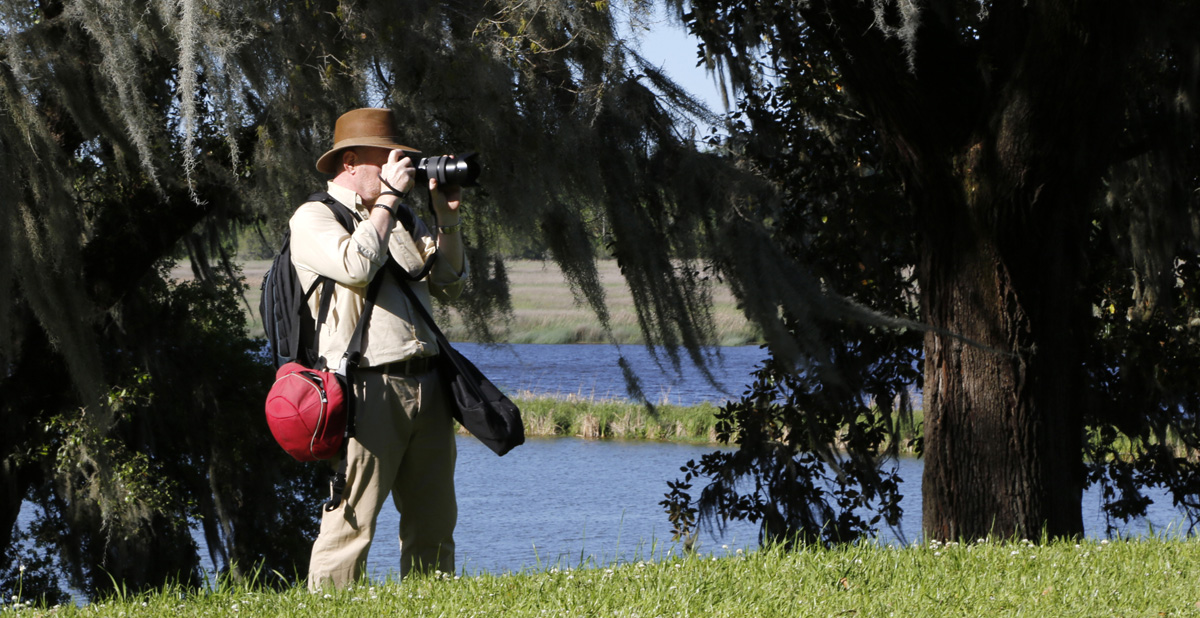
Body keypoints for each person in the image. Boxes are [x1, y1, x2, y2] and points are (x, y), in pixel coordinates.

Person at [289, 107, 467, 589]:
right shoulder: (313, 217)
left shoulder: (400, 216)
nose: (401, 167)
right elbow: (356, 266)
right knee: (350, 525)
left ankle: (430, 604)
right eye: (388, 158)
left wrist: (446, 220)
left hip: (427, 384)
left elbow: (448, 281)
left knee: (434, 523)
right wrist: (388, 200)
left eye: (403, 159)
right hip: (365, 389)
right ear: (350, 161)